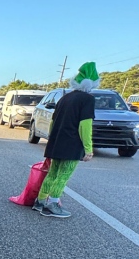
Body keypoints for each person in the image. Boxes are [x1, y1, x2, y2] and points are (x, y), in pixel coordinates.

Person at [33, 62, 99, 218]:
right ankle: (52, 204)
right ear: (92, 83)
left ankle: (40, 201)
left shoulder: (65, 97)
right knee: (64, 175)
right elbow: (85, 125)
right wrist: (88, 148)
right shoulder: (87, 99)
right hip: (72, 143)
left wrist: (51, 139)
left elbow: (53, 120)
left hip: (57, 141)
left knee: (53, 173)